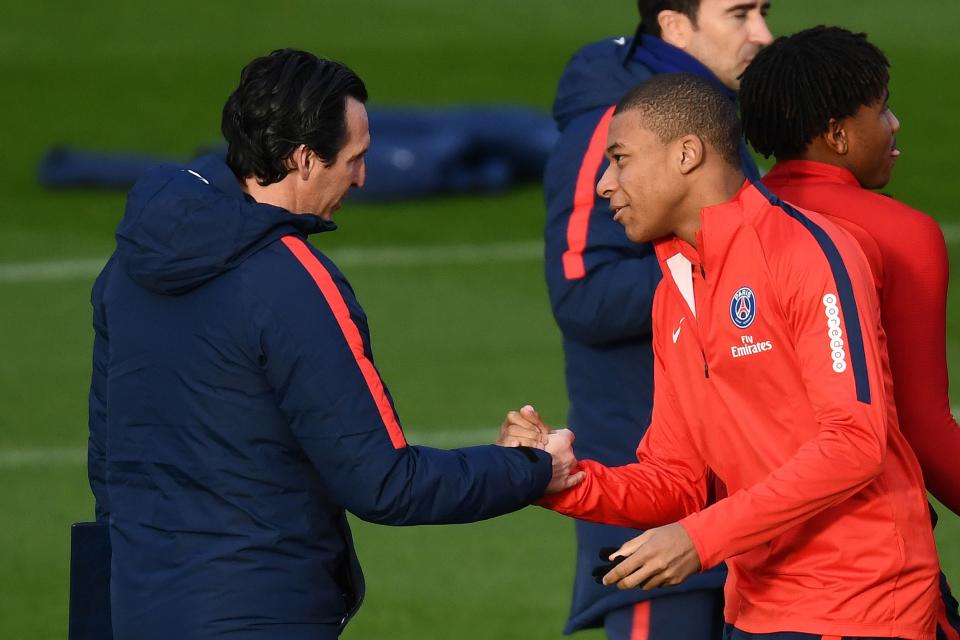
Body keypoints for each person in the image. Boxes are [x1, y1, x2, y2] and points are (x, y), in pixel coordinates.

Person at [87, 49, 579, 640]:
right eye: (354, 159)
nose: (364, 178)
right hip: (260, 615)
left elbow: (107, 465)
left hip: (137, 610)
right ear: (302, 158)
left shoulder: (127, 267)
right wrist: (528, 468)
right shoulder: (291, 279)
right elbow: (383, 483)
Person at [516, 72, 942, 638]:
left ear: (687, 153)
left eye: (619, 159)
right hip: (756, 610)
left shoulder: (807, 252)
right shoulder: (674, 291)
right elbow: (679, 478)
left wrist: (700, 539)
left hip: (860, 605)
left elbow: (855, 443)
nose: (603, 184)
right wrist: (562, 481)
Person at [543, 1, 771, 636]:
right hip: (655, 499)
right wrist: (726, 268)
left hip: (739, 501)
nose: (763, 34)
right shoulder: (616, 127)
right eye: (740, 14)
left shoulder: (706, 115)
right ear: (675, 26)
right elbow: (582, 293)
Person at [738, 25, 960, 637]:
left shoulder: (722, 231)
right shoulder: (901, 234)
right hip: (874, 574)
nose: (894, 124)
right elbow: (923, 429)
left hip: (752, 576)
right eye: (881, 108)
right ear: (837, 134)